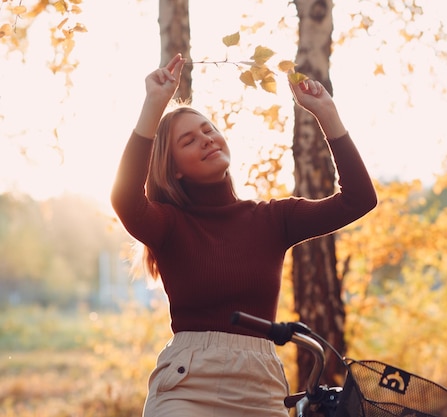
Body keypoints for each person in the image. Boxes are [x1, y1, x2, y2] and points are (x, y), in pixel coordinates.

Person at [111, 53, 377, 417]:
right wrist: (153, 105)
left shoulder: (273, 218)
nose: (206, 139)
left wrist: (326, 113)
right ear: (174, 171)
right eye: (189, 141)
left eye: (208, 130)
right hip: (188, 385)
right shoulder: (169, 225)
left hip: (261, 386)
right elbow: (125, 197)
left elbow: (359, 199)